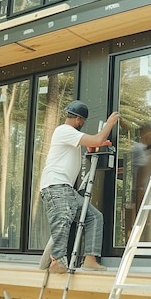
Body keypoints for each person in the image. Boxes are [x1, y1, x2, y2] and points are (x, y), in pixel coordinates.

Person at [39, 100, 119, 273]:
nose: (82, 124)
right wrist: (109, 124)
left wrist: (97, 144)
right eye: (83, 121)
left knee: (94, 217)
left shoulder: (70, 135)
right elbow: (97, 138)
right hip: (55, 185)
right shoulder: (64, 131)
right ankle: (57, 261)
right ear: (78, 119)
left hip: (66, 188)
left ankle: (90, 259)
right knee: (63, 218)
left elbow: (93, 143)